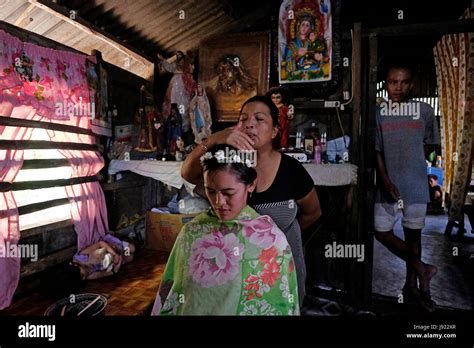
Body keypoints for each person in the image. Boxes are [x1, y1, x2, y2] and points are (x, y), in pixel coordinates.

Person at [181, 96, 322, 306]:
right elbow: (187, 173)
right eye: (244, 119)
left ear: (275, 131)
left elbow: (314, 212)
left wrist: (276, 240)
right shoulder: (228, 163)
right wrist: (216, 138)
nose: (249, 124)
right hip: (236, 273)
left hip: (280, 270)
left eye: (259, 119)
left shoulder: (291, 171)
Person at [152, 145, 300, 315]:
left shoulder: (273, 241)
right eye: (211, 191)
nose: (218, 202)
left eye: (228, 193)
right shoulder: (191, 232)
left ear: (251, 185)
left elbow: (280, 302)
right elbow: (174, 292)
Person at [374, 62, 439, 312]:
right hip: (388, 185)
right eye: (393, 82)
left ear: (411, 84)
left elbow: (429, 144)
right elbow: (377, 150)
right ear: (386, 84)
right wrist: (386, 179)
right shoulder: (379, 112)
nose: (398, 87)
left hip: (414, 184)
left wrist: (412, 165)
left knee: (414, 236)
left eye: (403, 82)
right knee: (381, 232)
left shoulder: (424, 110)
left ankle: (413, 287)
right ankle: (423, 268)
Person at [157, 51, 195, 139]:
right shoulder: (175, 65)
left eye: (179, 55)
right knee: (173, 102)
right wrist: (163, 60)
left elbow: (192, 70)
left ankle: (184, 125)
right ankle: (173, 122)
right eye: (177, 55)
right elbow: (169, 67)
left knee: (185, 104)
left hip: (185, 84)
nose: (178, 56)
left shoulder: (187, 64)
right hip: (175, 85)